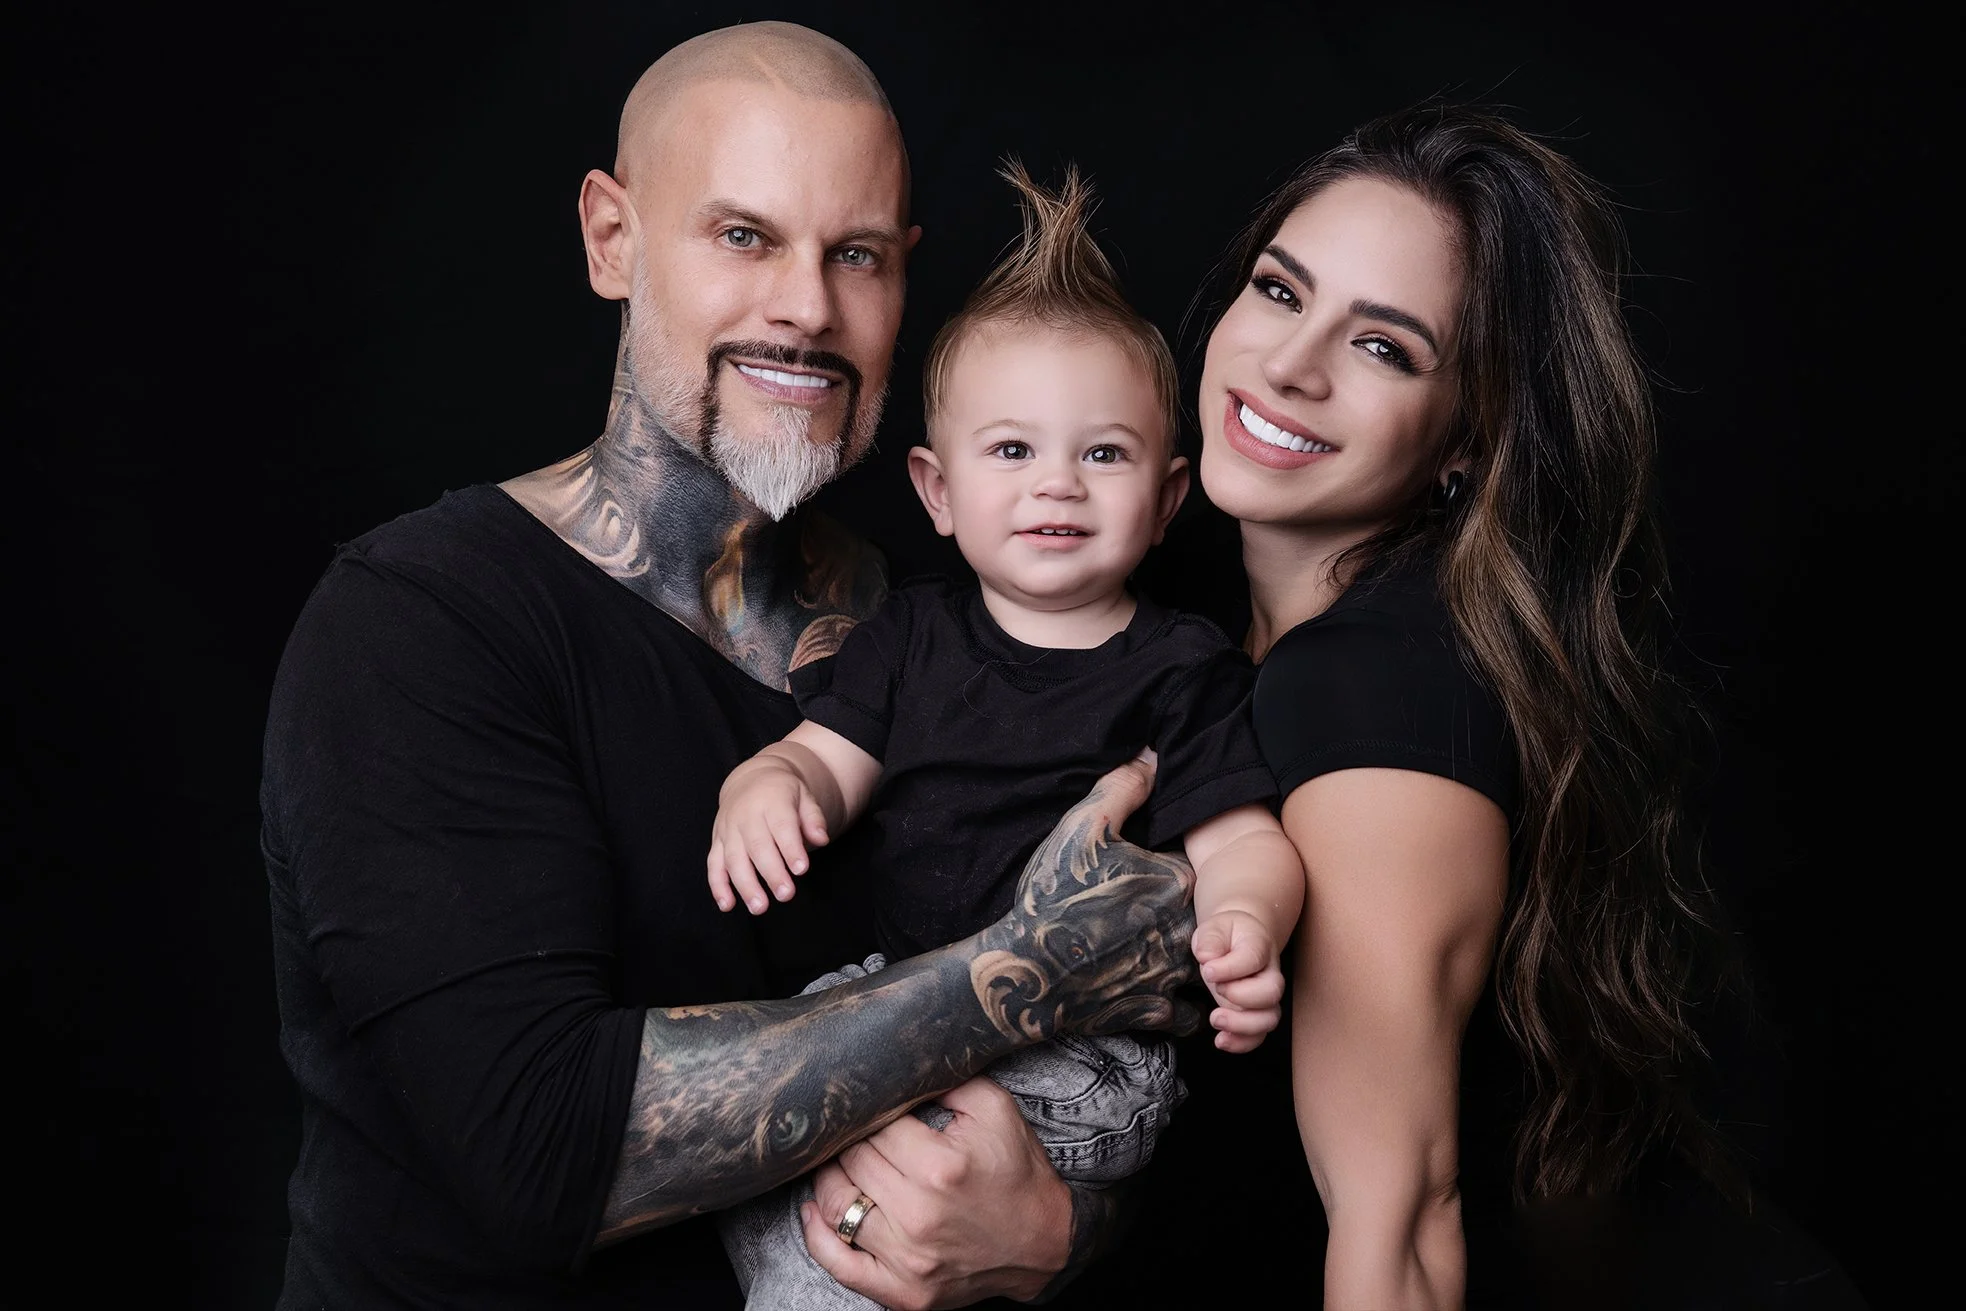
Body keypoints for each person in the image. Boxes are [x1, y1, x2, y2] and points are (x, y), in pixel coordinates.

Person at [258, 22, 1201, 1309]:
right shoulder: (421, 623)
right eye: (744, 236)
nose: (807, 308)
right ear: (612, 237)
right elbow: (542, 1150)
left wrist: (1051, 1237)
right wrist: (1035, 972)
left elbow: (1075, 1115)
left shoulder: (938, 627)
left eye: (854, 255)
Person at [1160, 102, 1752, 1307]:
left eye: (1385, 347)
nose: (1288, 363)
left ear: (1465, 441)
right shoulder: (1273, 649)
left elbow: (1405, 1228)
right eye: (1279, 291)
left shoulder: (1369, 688)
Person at [706, 163, 1303, 1309]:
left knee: (845, 1244)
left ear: (1168, 498)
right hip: (904, 1002)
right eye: (1014, 452)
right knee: (756, 1151)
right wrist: (771, 785)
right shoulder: (909, 637)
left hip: (1075, 1060)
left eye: (1105, 454)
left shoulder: (1182, 670)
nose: (1059, 489)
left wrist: (1244, 923)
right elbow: (829, 763)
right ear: (936, 489)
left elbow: (1243, 836)